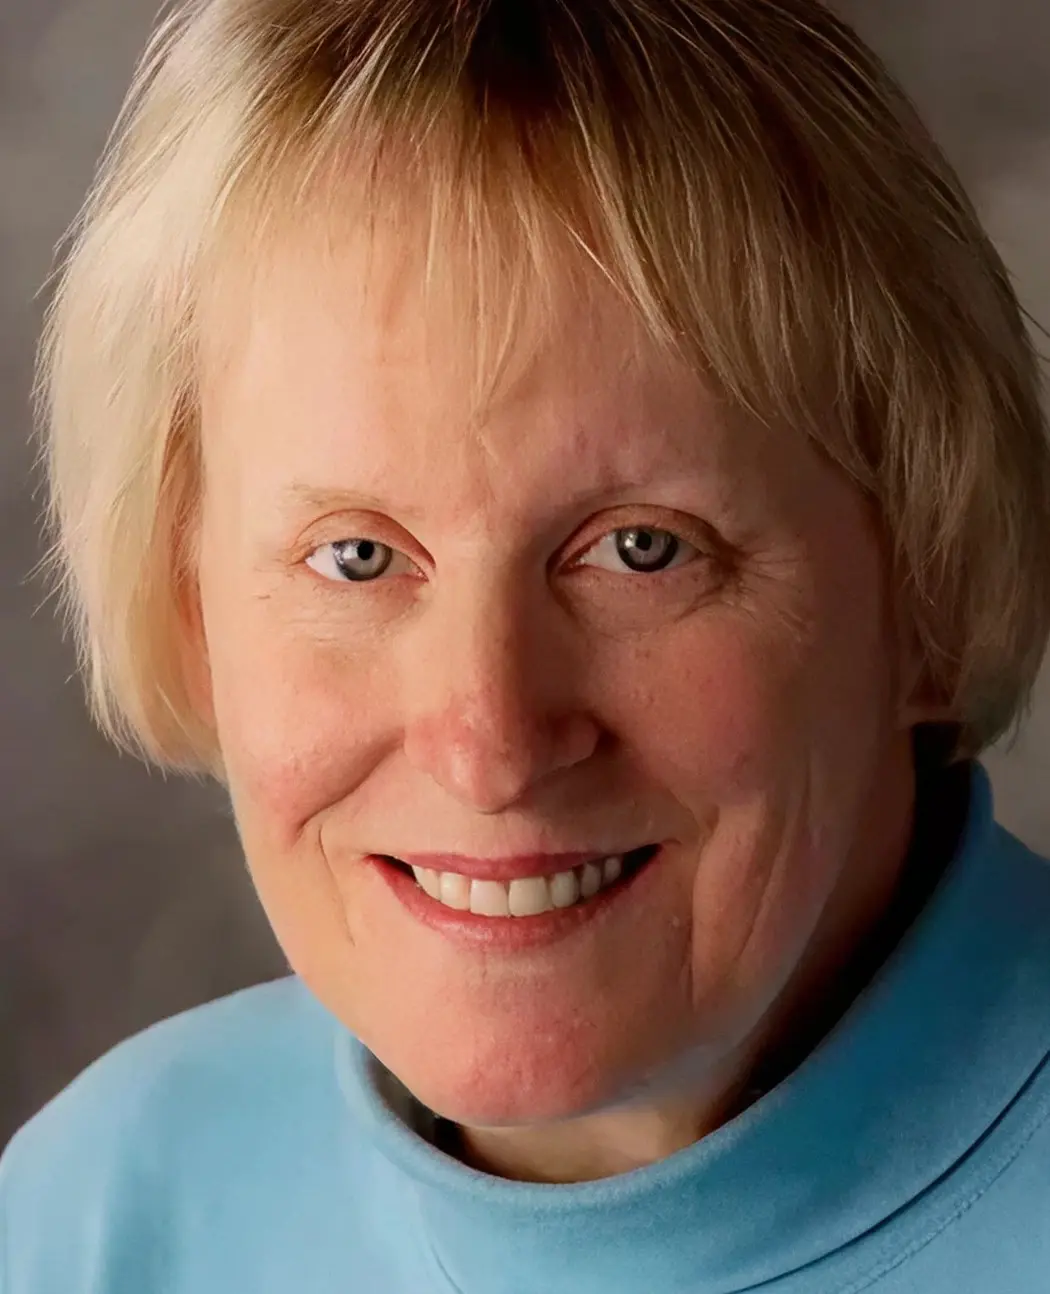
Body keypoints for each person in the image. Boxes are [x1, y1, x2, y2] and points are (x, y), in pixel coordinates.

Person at [3, 0, 1050, 1288]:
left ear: (925, 589)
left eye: (642, 549)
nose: (489, 743)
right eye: (358, 557)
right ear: (189, 605)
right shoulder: (101, 1216)